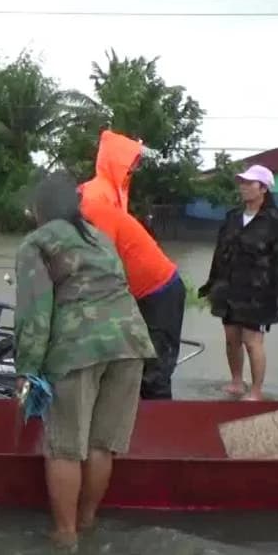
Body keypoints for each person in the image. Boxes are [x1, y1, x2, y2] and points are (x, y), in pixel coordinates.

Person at [15, 171, 155, 548]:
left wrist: (27, 370)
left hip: (78, 348)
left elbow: (34, 314)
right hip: (130, 344)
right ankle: (87, 523)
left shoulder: (37, 243)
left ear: (40, 209)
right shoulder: (100, 238)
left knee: (65, 446)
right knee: (100, 444)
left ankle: (65, 536)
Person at [79, 130, 185, 400]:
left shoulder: (105, 194)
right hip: (139, 289)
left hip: (159, 288)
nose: (135, 168)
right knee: (131, 364)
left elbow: (102, 261)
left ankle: (162, 432)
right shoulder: (97, 194)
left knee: (154, 371)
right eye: (132, 161)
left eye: (136, 162)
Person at [198, 165, 278, 401]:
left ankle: (256, 391)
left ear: (263, 188)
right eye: (241, 182)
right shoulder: (232, 217)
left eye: (249, 183)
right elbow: (220, 253)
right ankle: (236, 382)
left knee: (252, 341)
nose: (243, 186)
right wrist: (211, 283)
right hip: (230, 288)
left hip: (260, 292)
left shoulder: (276, 222)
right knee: (232, 338)